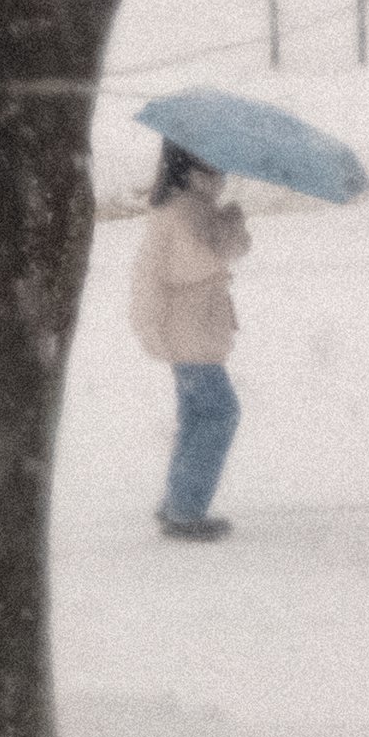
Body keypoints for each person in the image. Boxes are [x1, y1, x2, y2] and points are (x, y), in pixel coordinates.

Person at [129, 141, 251, 540]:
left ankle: (178, 501)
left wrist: (150, 327)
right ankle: (184, 510)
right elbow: (221, 252)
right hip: (192, 330)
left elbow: (152, 273)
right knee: (219, 414)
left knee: (197, 418)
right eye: (215, 170)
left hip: (187, 330)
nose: (221, 179)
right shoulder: (189, 212)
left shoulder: (179, 208)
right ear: (196, 172)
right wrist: (232, 220)